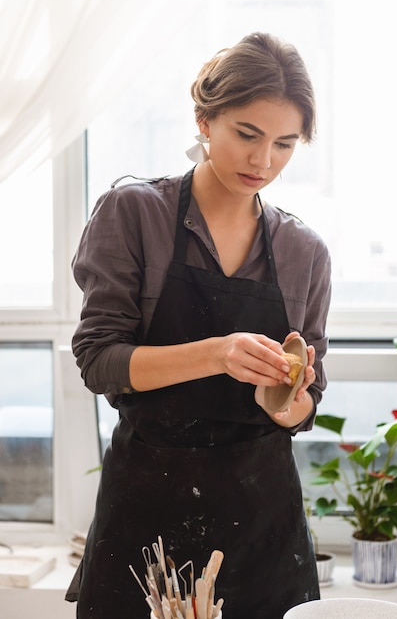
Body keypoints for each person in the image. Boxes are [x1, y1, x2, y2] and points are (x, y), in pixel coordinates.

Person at [66, 32, 331, 619]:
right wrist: (218, 353)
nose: (263, 161)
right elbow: (99, 359)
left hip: (263, 522)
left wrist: (285, 395)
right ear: (204, 119)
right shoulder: (136, 213)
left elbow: (305, 407)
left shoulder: (303, 251)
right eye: (247, 135)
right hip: (146, 516)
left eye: (285, 144)